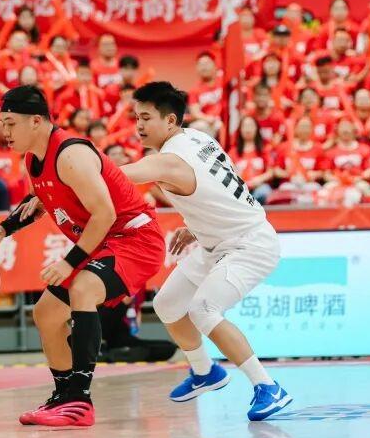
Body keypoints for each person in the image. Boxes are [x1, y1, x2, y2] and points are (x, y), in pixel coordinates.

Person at [0, 86, 165, 428]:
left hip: (135, 239)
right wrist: (1, 232)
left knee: (83, 288)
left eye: (10, 123)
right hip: (103, 242)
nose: (4, 132)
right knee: (45, 314)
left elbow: (104, 214)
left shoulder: (71, 155)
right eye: (2, 124)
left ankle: (80, 401)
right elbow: (39, 202)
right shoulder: (33, 159)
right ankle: (63, 395)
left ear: (36, 121)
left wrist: (69, 262)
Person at [120, 82, 292, 420]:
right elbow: (217, 187)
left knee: (203, 309)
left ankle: (268, 387)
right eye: (136, 117)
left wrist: (70, 169)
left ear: (170, 120)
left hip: (249, 244)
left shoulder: (168, 161)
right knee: (168, 304)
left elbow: (115, 176)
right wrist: (196, 225)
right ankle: (205, 372)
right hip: (215, 240)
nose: (139, 125)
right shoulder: (198, 137)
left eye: (146, 118)